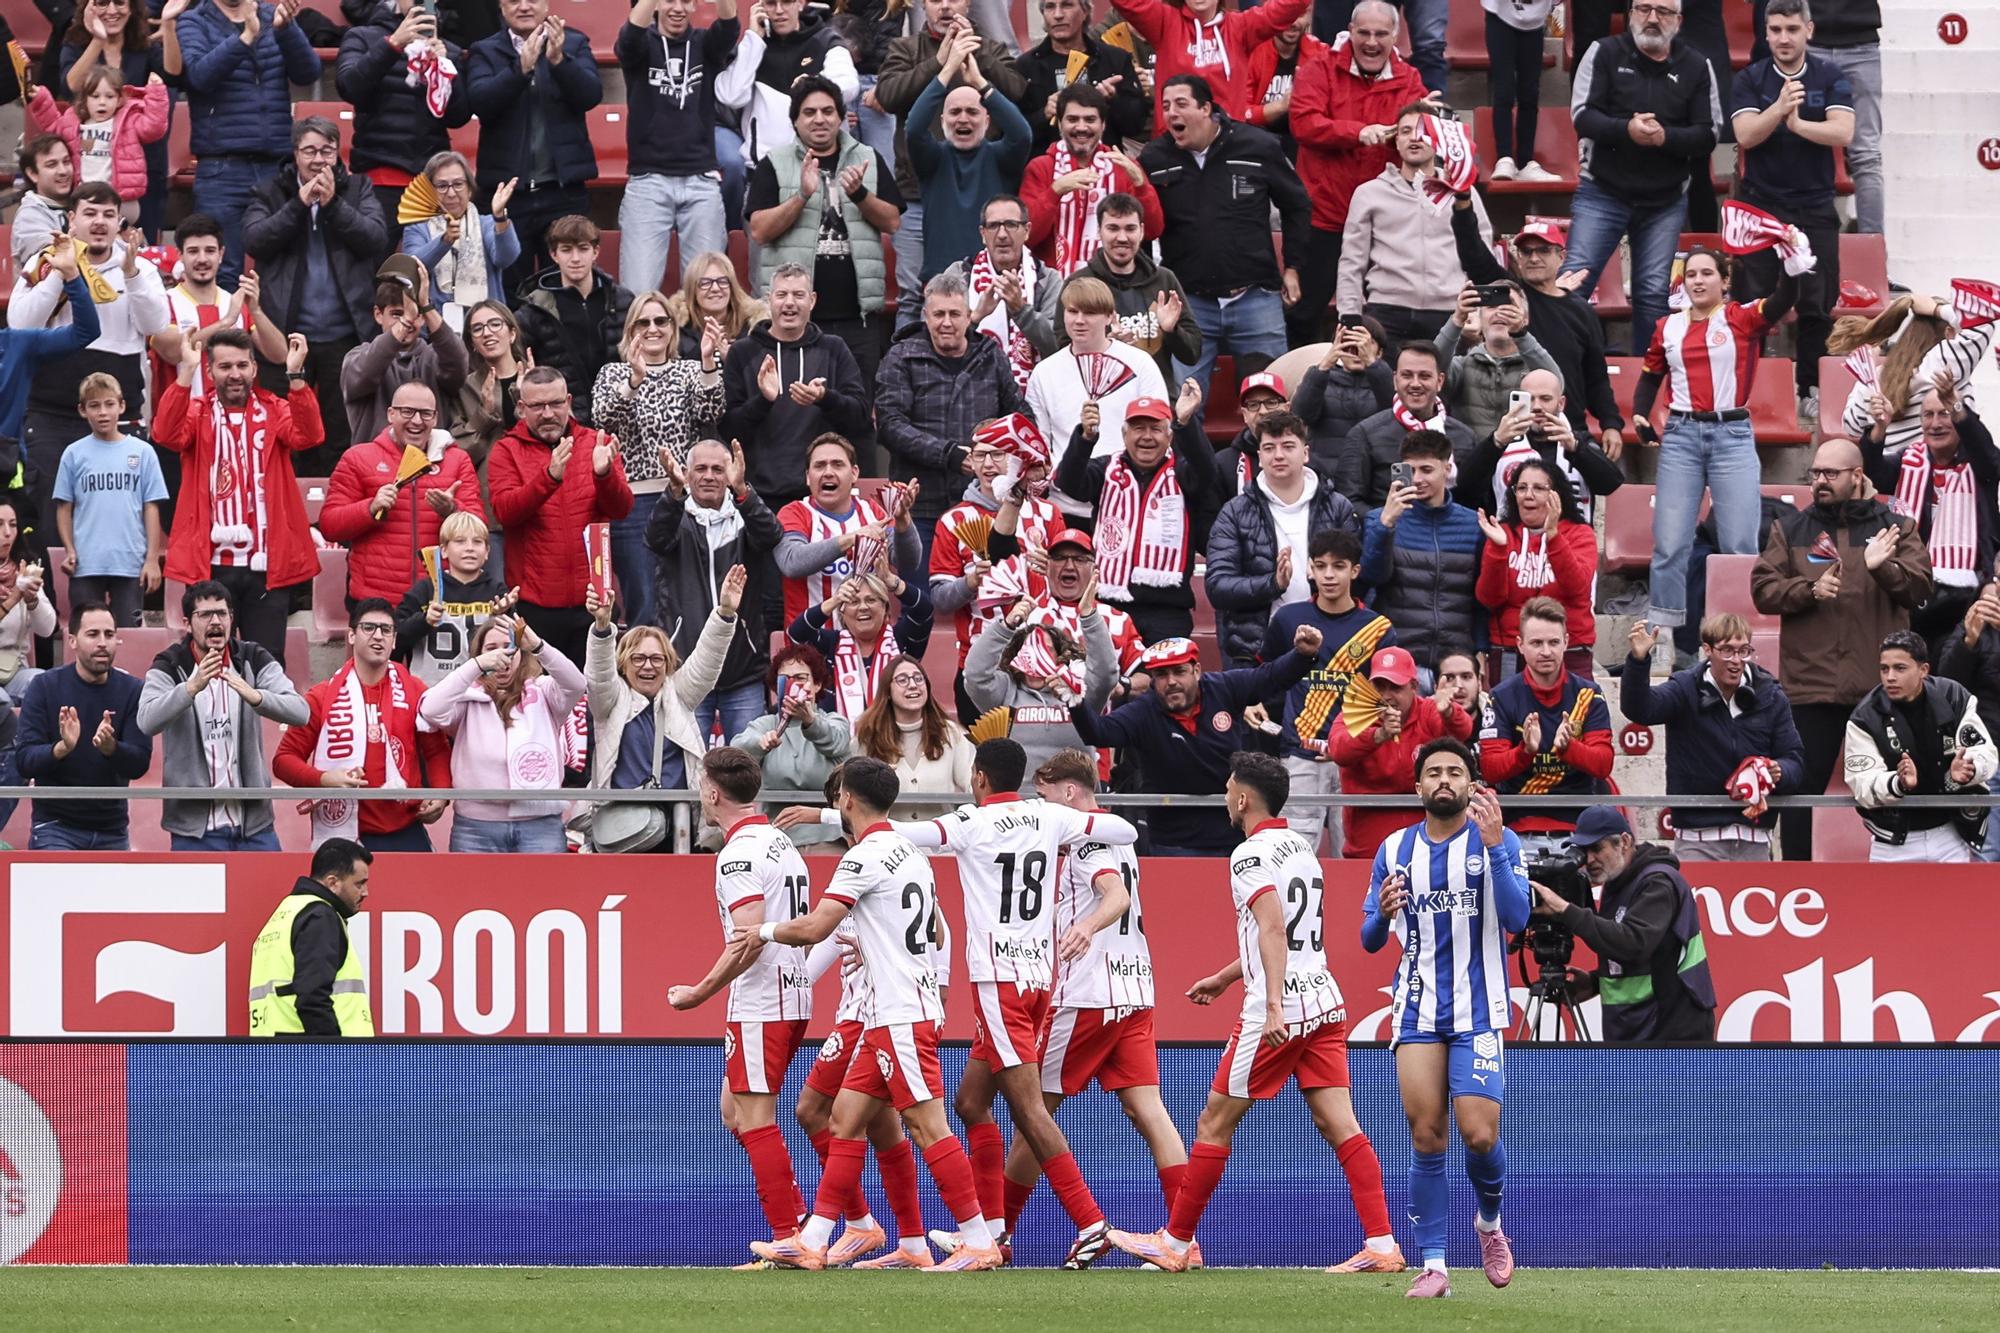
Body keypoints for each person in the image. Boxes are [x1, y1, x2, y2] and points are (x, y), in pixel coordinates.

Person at [827, 738, 1143, 1267]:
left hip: (998, 980)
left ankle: (1091, 1223)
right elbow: (1126, 830)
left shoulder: (970, 823)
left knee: (1028, 1107)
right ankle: (992, 1231)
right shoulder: (1048, 816)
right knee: (972, 1102)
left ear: (977, 778)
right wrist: (1067, 819)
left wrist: (830, 808)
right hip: (1041, 978)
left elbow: (899, 833)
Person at [1108, 751, 1400, 1274]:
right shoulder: (1301, 849)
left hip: (1282, 1007)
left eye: (1228, 789)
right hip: (1325, 1000)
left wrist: (1269, 1007)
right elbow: (1288, 932)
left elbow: (1271, 927)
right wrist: (1224, 978)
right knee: (1341, 1124)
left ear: (1243, 798)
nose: (1225, 797)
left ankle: (1174, 1244)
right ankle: (1382, 1244)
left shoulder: (1247, 856)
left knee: (1213, 1121)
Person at [740, 756, 1003, 1273]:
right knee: (844, 1116)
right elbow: (940, 933)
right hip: (895, 1009)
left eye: (838, 797)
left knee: (928, 1127)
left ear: (847, 799)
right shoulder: (911, 852)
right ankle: (815, 1240)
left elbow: (816, 928)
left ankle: (978, 1241)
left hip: (899, 1013)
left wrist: (763, 931)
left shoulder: (860, 858)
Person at [995, 747, 1188, 1246]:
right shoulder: (1116, 835)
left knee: (1031, 1111)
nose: (1043, 810)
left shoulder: (1085, 841)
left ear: (1070, 792)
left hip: (1087, 995)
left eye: (1047, 797)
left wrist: (1084, 926)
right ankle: (1183, 1238)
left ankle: (998, 1233)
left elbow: (1115, 896)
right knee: (1149, 1109)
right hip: (1136, 987)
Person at [1361, 738, 1526, 1297]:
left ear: (1473, 783)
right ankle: (1434, 1266)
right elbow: (1367, 938)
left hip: (1479, 1010)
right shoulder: (1394, 847)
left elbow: (1517, 916)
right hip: (1416, 1009)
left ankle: (1489, 1223)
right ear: (1418, 786)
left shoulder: (1496, 841)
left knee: (1479, 1135)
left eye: (1455, 771)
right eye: (1433, 772)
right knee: (1427, 1137)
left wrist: (1498, 847)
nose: (1444, 780)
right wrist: (1382, 917)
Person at [665, 743, 817, 1250]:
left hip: (762, 1000)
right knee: (735, 1112)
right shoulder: (779, 842)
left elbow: (748, 937)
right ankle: (800, 1216)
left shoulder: (737, 855)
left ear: (712, 792)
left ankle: (790, 1237)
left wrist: (699, 992)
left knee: (755, 1118)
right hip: (791, 992)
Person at [1753, 437, 1932, 858]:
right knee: (1800, 791)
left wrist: (1882, 567)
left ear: (1857, 476)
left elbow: (1920, 589)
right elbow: (1763, 590)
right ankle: (1797, 880)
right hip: (1810, 687)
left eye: (1831, 474)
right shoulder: (1790, 527)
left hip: (1881, 687)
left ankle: (1901, 874)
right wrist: (1807, 590)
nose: (1820, 481)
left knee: (1897, 785)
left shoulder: (1896, 527)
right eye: (1815, 473)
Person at [1633, 246, 1798, 633]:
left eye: (1707, 273)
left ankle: (1740, 634)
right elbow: (1650, 374)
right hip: (1680, 435)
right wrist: (1641, 413)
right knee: (1670, 544)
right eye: (1691, 274)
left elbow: (1784, 300)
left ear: (1725, 281)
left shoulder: (1740, 317)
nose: (1698, 281)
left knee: (1740, 544)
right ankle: (1664, 637)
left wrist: (1791, 264)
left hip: (1732, 434)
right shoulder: (1667, 327)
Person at [1071, 625, 1324, 855]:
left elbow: (1270, 677)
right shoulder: (1142, 711)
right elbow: (1099, 733)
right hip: (1172, 842)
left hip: (1233, 835)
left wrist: (1302, 655)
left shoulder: (1224, 687)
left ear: (1197, 670)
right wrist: (1076, 700)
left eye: (1179, 672)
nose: (1171, 682)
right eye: (1161, 675)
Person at [154, 329, 321, 666]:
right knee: (207, 660)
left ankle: (264, 722)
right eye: (225, 366)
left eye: (242, 365)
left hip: (266, 565)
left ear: (254, 369)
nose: (234, 374)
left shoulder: (275, 410)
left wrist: (296, 377)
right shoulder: (198, 412)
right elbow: (165, 433)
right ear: (210, 371)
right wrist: (185, 372)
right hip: (210, 563)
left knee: (267, 663)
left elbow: (309, 434)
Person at [1565, 0, 1723, 355]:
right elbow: (1582, 116)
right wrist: (1627, 130)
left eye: (1664, 12)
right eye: (1644, 8)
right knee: (1571, 284)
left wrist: (1664, 137)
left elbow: (1708, 134)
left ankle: (1645, 387)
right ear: (1630, 12)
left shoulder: (1698, 66)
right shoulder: (1602, 52)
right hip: (1602, 191)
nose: (1653, 18)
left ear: (1679, 21)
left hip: (1664, 201)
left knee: (1652, 294)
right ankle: (1559, 375)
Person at [11, 190, 168, 538]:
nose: (99, 222)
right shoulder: (43, 261)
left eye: (108, 214)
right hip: (52, 417)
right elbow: (20, 324)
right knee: (51, 524)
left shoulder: (140, 267)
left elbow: (156, 325)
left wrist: (132, 277)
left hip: (119, 415)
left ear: (119, 223)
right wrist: (61, 274)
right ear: (71, 219)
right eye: (90, 213)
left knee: (116, 525)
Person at [1140, 75, 1309, 395]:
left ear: (1206, 108)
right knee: (1184, 406)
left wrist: (1293, 267)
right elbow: (1143, 227)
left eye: (1181, 104)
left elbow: (1298, 205)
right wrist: (1151, 284)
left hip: (1255, 298)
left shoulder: (1257, 145)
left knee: (1272, 401)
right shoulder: (1153, 158)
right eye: (1165, 107)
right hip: (1188, 303)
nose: (1171, 113)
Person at [240, 116, 392, 463]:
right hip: (287, 338)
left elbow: (375, 239)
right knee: (290, 435)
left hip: (346, 334)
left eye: (327, 151)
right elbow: (254, 240)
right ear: (295, 154)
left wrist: (333, 205)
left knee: (342, 436)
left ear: (339, 154)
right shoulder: (270, 191)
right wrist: (298, 205)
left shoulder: (358, 189)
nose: (319, 159)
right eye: (310, 151)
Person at [1730, 0, 1852, 416]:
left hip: (1815, 205)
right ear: (1765, 33)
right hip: (1760, 205)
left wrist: (1799, 126)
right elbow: (1745, 135)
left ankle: (1810, 390)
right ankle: (1753, 390)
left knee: (1817, 303)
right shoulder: (1750, 78)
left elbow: (1844, 129)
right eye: (1776, 29)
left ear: (1809, 31)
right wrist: (1780, 110)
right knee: (1755, 302)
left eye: (1792, 29)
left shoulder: (1829, 74)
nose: (1784, 38)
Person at [1287, 2, 1432, 346]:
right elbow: (1303, 123)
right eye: (1363, 32)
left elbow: (1418, 136)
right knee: (1304, 314)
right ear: (1350, 31)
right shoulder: (1318, 68)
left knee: (1383, 317)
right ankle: (1299, 389)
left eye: (1381, 34)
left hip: (1383, 222)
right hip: (1324, 216)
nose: (1371, 42)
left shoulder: (1409, 79)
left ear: (1395, 36)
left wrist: (1427, 122)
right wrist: (1357, 132)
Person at [872, 0, 1023, 327]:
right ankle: (906, 364)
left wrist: (975, 59)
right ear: (923, 6)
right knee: (914, 292)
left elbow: (1017, 93)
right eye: (936, 0)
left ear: (968, 4)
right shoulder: (905, 48)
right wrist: (941, 63)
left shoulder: (990, 48)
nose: (945, 7)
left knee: (975, 286)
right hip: (916, 191)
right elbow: (888, 96)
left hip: (976, 192)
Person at [746, 76, 903, 388]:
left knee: (857, 412)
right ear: (794, 121)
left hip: (858, 318)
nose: (819, 119)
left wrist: (859, 194)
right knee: (795, 412)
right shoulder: (773, 164)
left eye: (828, 111)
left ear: (841, 117)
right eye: (809, 112)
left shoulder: (868, 158)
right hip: (795, 321)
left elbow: (892, 221)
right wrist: (802, 196)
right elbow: (760, 231)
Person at [137, 578, 307, 851]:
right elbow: (146, 720)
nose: (215, 621)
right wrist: (190, 688)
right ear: (187, 623)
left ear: (231, 619)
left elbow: (300, 712)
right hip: (194, 830)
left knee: (265, 894)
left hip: (254, 825)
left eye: (222, 613)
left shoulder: (252, 657)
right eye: (205, 614)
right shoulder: (169, 664)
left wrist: (256, 697)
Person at [592, 291, 728, 628]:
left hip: (685, 500)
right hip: (634, 503)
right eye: (643, 322)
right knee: (644, 600)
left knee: (690, 595)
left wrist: (709, 361)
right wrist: (634, 381)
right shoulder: (613, 373)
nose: (653, 329)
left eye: (661, 320)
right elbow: (603, 420)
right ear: (631, 329)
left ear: (672, 327)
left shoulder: (692, 370)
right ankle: (644, 675)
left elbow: (710, 412)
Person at [486, 365, 637, 666]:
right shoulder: (506, 450)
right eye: (537, 406)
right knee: (536, 703)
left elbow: (621, 510)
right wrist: (549, 478)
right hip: (534, 605)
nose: (547, 413)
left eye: (555, 404)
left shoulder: (598, 443)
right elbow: (505, 512)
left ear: (568, 402)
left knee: (590, 702)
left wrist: (604, 474)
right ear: (520, 408)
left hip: (592, 603)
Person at [1623, 615, 1804, 862]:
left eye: (1744, 651)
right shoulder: (1685, 687)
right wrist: (1638, 661)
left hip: (1756, 837)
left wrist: (1778, 771)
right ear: (1707, 650)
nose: (1736, 661)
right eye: (1727, 651)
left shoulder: (1771, 694)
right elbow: (1640, 710)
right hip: (1697, 838)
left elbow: (1794, 759)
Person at [276, 598, 451, 851]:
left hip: (405, 828)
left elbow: (436, 749)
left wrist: (441, 794)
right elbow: (283, 760)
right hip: (344, 835)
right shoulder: (321, 697)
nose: (378, 636)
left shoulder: (414, 689)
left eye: (386, 630)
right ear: (350, 636)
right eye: (368, 628)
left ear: (394, 641)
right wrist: (324, 778)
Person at [581, 572, 742, 842]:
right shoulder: (610, 700)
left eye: (657, 659)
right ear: (623, 663)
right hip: (619, 825)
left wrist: (725, 613)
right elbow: (598, 674)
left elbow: (707, 659)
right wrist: (601, 626)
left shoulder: (678, 695)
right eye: (638, 658)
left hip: (677, 823)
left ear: (668, 664)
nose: (647, 666)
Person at [1450, 209, 1627, 453]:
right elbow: (1472, 252)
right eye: (1526, 251)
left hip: (1566, 428)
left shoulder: (1582, 312)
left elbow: (1595, 375)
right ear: (1517, 257)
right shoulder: (1511, 295)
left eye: (1543, 250)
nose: (1534, 258)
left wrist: (1611, 423)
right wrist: (1462, 206)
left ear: (1561, 257)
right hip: (1519, 432)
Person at [1264, 528, 1396, 853]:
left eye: (1338, 566)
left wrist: (1354, 743)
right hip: (1299, 755)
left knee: (1352, 856)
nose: (1328, 574)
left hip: (1355, 760)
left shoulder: (1378, 629)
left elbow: (1385, 697)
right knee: (1293, 854)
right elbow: (1267, 676)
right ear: (1309, 568)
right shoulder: (1287, 619)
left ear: (1355, 571)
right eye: (1320, 565)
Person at [1534, 806, 1718, 1040]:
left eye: (1597, 848)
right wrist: (1596, 981)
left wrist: (1565, 910)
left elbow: (1633, 942)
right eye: (1583, 851)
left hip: (1672, 1033)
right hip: (1635, 1030)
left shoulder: (1659, 882)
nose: (1589, 860)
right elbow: (1654, 961)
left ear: (1624, 841)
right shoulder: (1618, 880)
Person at [1055, 392, 1221, 644]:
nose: (1146, 436)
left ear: (1169, 436)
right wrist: (1085, 438)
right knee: (1107, 682)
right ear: (1124, 435)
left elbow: (1207, 471)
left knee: (1166, 682)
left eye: (1155, 428)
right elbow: (1068, 482)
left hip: (1167, 611)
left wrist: (1186, 423)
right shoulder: (1105, 470)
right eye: (1138, 428)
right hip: (1109, 605)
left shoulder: (1182, 472)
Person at [175, 0, 323, 281]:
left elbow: (309, 72)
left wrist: (287, 29)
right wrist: (244, 38)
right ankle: (225, 327)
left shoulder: (272, 16)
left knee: (282, 267)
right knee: (222, 269)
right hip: (221, 168)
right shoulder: (194, 21)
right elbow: (198, 77)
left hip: (275, 166)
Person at [876, 274, 1023, 547]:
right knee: (920, 590)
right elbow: (890, 425)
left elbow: (1019, 419)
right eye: (938, 314)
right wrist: (949, 455)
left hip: (983, 505)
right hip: (919, 507)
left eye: (955, 314)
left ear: (969, 316)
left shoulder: (991, 355)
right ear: (925, 316)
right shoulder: (900, 357)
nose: (946, 323)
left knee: (982, 587)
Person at [647, 439, 781, 739]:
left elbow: (771, 536)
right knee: (688, 768)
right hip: (686, 668)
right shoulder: (674, 516)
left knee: (747, 766)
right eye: (701, 469)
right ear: (686, 473)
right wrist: (673, 493)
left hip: (742, 672)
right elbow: (655, 539)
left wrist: (743, 491)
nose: (709, 476)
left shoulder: (744, 516)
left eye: (718, 469)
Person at [419, 611, 585, 852]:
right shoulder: (466, 697)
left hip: (541, 826)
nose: (501, 655)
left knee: (544, 891)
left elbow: (576, 684)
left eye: (510, 646)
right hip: (476, 828)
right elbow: (431, 709)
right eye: (491, 648)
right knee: (473, 892)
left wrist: (539, 646)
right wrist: (475, 667)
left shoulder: (544, 691)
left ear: (522, 652)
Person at [1205, 411, 1360, 668]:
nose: (1278, 455)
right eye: (1269, 448)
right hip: (1256, 652)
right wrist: (1272, 583)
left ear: (1306, 453)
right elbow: (1218, 587)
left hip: (1328, 647)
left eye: (1288, 446)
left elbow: (1357, 576)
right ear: (1260, 456)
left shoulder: (1337, 507)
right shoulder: (1235, 511)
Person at [465, 0, 602, 289]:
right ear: (501, 8)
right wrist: (519, 70)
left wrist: (559, 62)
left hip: (563, 194)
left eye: (532, 0)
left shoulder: (573, 42)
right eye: (514, 1)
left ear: (546, 4)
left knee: (569, 289)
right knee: (514, 294)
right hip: (508, 195)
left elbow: (590, 95)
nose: (524, 7)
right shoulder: (485, 50)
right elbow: (480, 102)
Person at [318, 380, 487, 605]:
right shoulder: (358, 458)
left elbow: (480, 527)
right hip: (375, 599)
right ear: (391, 414)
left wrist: (453, 511)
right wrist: (370, 507)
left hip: (440, 598)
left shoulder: (457, 460)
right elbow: (330, 526)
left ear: (435, 418)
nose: (416, 421)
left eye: (426, 414)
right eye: (407, 412)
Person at [1335, 104, 1493, 345]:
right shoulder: (1369, 193)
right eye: (1406, 131)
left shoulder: (1462, 191)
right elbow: (1351, 260)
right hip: (1386, 310)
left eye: (1423, 130)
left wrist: (1480, 312)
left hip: (1451, 312)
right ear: (1395, 141)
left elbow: (1484, 256)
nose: (1414, 138)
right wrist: (1349, 316)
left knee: (1447, 383)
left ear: (1438, 140)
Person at [615, 0, 740, 296]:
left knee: (708, 294)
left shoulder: (703, 44)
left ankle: (706, 345)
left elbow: (729, 25)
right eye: (669, 0)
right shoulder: (642, 44)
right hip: (648, 182)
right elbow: (629, 36)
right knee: (637, 294)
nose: (678, 8)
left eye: (685, 0)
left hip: (701, 182)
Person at [721, 266, 872, 510]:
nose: (789, 303)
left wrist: (825, 397)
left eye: (798, 295)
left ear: (812, 300)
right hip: (758, 496)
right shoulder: (743, 352)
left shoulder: (834, 348)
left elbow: (861, 418)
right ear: (769, 300)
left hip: (820, 497)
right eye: (781, 295)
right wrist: (763, 400)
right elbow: (728, 428)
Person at [1845, 629, 1998, 863]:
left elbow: (1985, 752)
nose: (1890, 677)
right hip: (1891, 844)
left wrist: (1968, 769)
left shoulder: (1955, 697)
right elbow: (1861, 782)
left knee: (1956, 901)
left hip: (1950, 835)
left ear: (1923, 670)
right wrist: (1897, 782)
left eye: (1900, 668)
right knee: (1887, 902)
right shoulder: (1864, 717)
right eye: (1884, 669)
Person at [928, 430, 1060, 692]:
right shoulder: (953, 520)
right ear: (972, 462)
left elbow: (1072, 588)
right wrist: (970, 582)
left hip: (1044, 659)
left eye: (997, 454)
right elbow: (940, 599)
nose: (988, 464)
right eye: (980, 455)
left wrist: (1052, 571)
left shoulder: (1047, 513)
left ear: (1015, 459)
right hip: (981, 661)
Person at [15, 601, 150, 850]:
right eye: (92, 634)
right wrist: (62, 748)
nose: (102, 642)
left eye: (109, 635)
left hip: (113, 829)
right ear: (72, 640)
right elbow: (24, 761)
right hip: (55, 828)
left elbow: (140, 763)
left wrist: (112, 749)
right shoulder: (44, 687)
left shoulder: (133, 690)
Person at [146, 214, 289, 443]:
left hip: (235, 428)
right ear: (180, 256)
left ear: (221, 254)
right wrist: (225, 322)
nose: (202, 259)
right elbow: (172, 352)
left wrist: (257, 311)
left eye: (210, 251)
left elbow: (280, 355)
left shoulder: (234, 302)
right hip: (180, 429)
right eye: (193, 251)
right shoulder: (165, 301)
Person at [904, 31, 1033, 286]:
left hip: (993, 278)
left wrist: (981, 83)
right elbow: (914, 128)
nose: (963, 118)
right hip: (941, 280)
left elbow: (1022, 134)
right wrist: (948, 69)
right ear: (943, 121)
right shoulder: (933, 159)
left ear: (987, 119)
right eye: (955, 112)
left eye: (972, 112)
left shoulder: (1000, 157)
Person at [1477, 597, 1614, 834]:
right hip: (1518, 824)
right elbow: (1490, 768)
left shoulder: (1588, 694)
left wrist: (1569, 748)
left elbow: (1604, 765)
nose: (1546, 651)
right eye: (1536, 643)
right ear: (1520, 645)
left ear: (1566, 642)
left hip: (1578, 826)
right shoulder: (1500, 697)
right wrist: (1525, 752)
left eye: (1553, 642)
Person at [337, 0, 475, 237]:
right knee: (376, 269)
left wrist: (445, 69)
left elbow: (458, 117)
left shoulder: (448, 49)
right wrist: (393, 45)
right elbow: (349, 87)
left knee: (433, 268)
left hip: (431, 182)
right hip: (377, 178)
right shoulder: (362, 37)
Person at [1331, 643, 1474, 860]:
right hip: (1369, 838)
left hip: (1430, 832)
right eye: (1380, 687)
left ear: (1414, 686)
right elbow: (1338, 751)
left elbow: (1463, 731)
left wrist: (1449, 712)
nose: (1387, 696)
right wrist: (1378, 735)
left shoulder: (1428, 710)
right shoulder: (1356, 714)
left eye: (1396, 687)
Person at [964, 578, 1119, 776]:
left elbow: (1106, 675)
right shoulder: (1005, 691)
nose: (1037, 657)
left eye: (1046, 650)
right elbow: (975, 675)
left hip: (1071, 800)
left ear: (1059, 655)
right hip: (1018, 802)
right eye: (1029, 650)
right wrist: (1007, 626)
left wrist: (1089, 616)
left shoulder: (1077, 690)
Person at [1359, 429, 1484, 669]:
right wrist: (1386, 526)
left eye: (1426, 470)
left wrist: (1481, 649)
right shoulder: (1379, 519)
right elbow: (1372, 578)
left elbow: (1479, 600)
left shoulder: (1472, 524)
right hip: (1397, 657)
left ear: (1447, 469)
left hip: (1454, 659)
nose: (1417, 479)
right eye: (1410, 470)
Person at [53, 371, 165, 626]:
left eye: (109, 404)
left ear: (122, 406)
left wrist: (152, 559)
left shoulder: (142, 452)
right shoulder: (74, 454)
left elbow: (151, 507)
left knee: (128, 636)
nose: (102, 412)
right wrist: (69, 549)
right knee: (86, 634)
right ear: (82, 410)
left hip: (129, 563)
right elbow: (63, 508)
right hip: (86, 564)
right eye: (94, 405)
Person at [773, 432, 919, 627]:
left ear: (854, 473)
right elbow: (792, 563)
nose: (828, 472)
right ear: (808, 477)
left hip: (867, 644)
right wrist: (852, 538)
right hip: (810, 644)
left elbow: (908, 562)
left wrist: (903, 521)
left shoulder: (874, 512)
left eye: (837, 464)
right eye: (819, 466)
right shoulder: (794, 513)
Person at [1031, 276, 1170, 480]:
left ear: (1110, 317)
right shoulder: (1044, 372)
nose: (1079, 320)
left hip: (1126, 489)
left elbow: (1162, 428)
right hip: (1066, 492)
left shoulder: (1140, 363)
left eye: (1090, 313)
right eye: (1072, 311)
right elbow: (1039, 442)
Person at [1019, 83, 1162, 279]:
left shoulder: (1124, 166)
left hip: (1112, 286)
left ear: (1103, 125)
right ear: (1060, 124)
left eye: (1090, 120)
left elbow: (1152, 231)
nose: (1081, 127)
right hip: (1053, 288)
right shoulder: (1041, 167)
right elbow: (1025, 236)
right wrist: (1055, 192)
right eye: (1072, 119)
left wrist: (1141, 186)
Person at [56, 0, 173, 238]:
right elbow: (71, 88)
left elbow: (174, 75)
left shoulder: (145, 47)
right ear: (88, 8)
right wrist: (97, 40)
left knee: (140, 252)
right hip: (90, 177)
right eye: (101, 3)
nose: (111, 11)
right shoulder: (75, 44)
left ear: (132, 9)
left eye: (120, 2)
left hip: (140, 171)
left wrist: (169, 26)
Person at [1474, 460, 1598, 681]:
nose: (1527, 495)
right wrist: (1498, 550)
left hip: (1568, 651)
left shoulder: (1580, 534)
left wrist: (1553, 536)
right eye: (1521, 488)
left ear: (1556, 495)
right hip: (1511, 651)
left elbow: (1577, 587)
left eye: (1539, 488)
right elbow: (1489, 599)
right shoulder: (1502, 534)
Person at [510, 214, 635, 428]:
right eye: (567, 250)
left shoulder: (623, 300)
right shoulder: (534, 310)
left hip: (621, 414)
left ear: (595, 252)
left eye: (583, 249)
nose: (575, 258)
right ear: (554, 254)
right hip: (563, 422)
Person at [1834, 294, 1997, 456]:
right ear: (1948, 332)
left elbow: (1851, 426)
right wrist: (1936, 309)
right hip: (1937, 473)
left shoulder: (1873, 377)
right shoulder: (1942, 363)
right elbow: (1982, 321)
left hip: (1890, 474)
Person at [1111, 0, 1311, 130]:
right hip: (1175, 144)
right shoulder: (1165, 22)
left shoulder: (1241, 27)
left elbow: (1290, 7)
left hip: (1228, 145)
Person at [246, 838, 376, 1038]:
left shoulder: (286, 913)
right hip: (312, 1056)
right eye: (359, 884)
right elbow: (312, 997)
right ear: (333, 882)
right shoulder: (319, 916)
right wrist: (332, 1053)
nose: (365, 892)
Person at [938, 194, 1064, 399]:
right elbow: (938, 343)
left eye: (1011, 225)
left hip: (1036, 396)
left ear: (1027, 231)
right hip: (967, 394)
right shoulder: (959, 275)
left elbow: (1057, 347)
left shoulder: (1048, 280)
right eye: (994, 226)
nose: (1002, 234)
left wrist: (1021, 311)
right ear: (982, 233)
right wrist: (976, 317)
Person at [731, 646, 851, 850]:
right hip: (778, 840)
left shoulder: (834, 721)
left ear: (817, 684)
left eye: (801, 678)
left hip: (829, 838)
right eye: (784, 679)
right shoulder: (766, 724)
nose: (792, 685)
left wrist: (810, 721)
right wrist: (759, 745)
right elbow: (736, 752)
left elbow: (836, 741)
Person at [1465, 367, 1625, 519]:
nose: (1537, 406)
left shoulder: (1579, 441)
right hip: (1515, 542)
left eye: (1545, 399)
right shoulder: (1501, 442)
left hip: (1570, 540)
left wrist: (1576, 449)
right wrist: (1495, 443)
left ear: (1561, 403)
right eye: (1530, 399)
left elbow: (1610, 484)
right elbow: (1466, 486)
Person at [338, 268, 472, 449]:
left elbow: (458, 363)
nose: (407, 321)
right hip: (375, 467)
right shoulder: (356, 357)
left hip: (431, 466)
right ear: (378, 314)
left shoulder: (434, 357)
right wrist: (408, 318)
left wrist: (426, 306)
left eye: (415, 314)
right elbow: (367, 371)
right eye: (396, 314)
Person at [1079, 192, 1199, 385]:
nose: (1122, 237)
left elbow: (1193, 354)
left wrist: (1172, 331)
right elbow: (1061, 349)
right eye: (1113, 228)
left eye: (1130, 228)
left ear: (1142, 231)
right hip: (1102, 401)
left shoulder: (1165, 280)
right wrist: (1105, 345)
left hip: (1157, 401)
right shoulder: (1080, 283)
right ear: (1099, 231)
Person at [1338, 342, 1479, 507]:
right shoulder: (1365, 434)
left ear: (1439, 381)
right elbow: (1349, 502)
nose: (1415, 384)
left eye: (1425, 376)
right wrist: (1386, 521)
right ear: (1395, 380)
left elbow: (1473, 499)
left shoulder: (1464, 437)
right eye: (1407, 375)